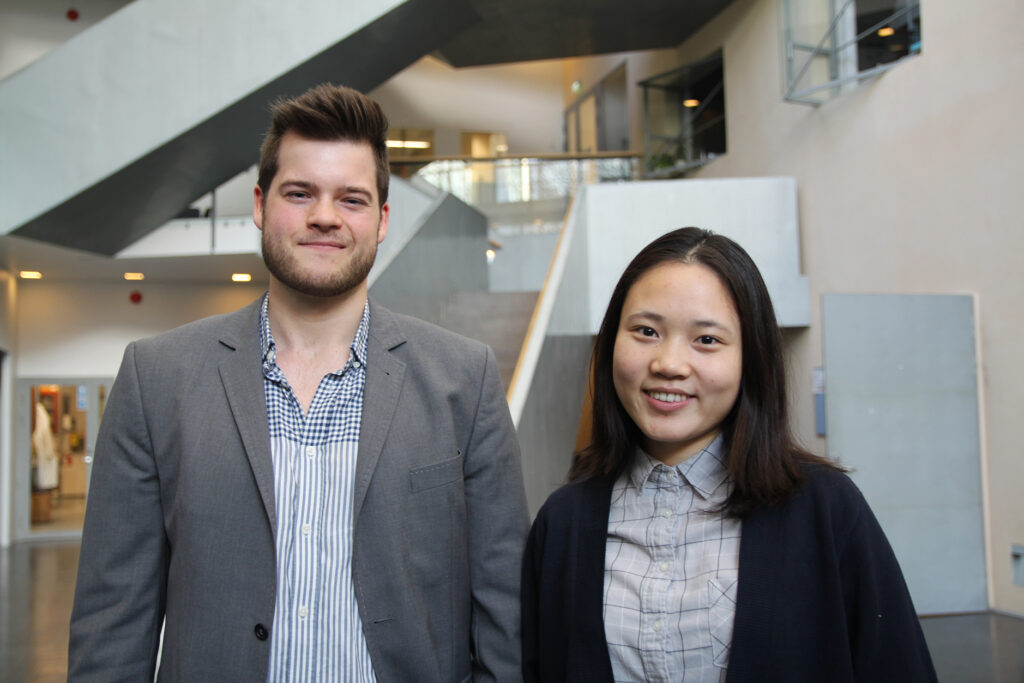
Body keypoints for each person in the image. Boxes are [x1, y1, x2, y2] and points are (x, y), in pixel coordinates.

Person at [68, 83, 529, 682]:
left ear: (382, 221)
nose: (325, 216)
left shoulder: (464, 379)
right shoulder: (156, 378)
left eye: (352, 199)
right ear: (261, 206)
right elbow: (112, 622)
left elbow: (504, 612)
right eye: (300, 193)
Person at [521, 227, 937, 682]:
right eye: (646, 331)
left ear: (750, 360)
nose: (669, 364)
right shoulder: (563, 521)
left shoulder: (825, 508)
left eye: (706, 340)